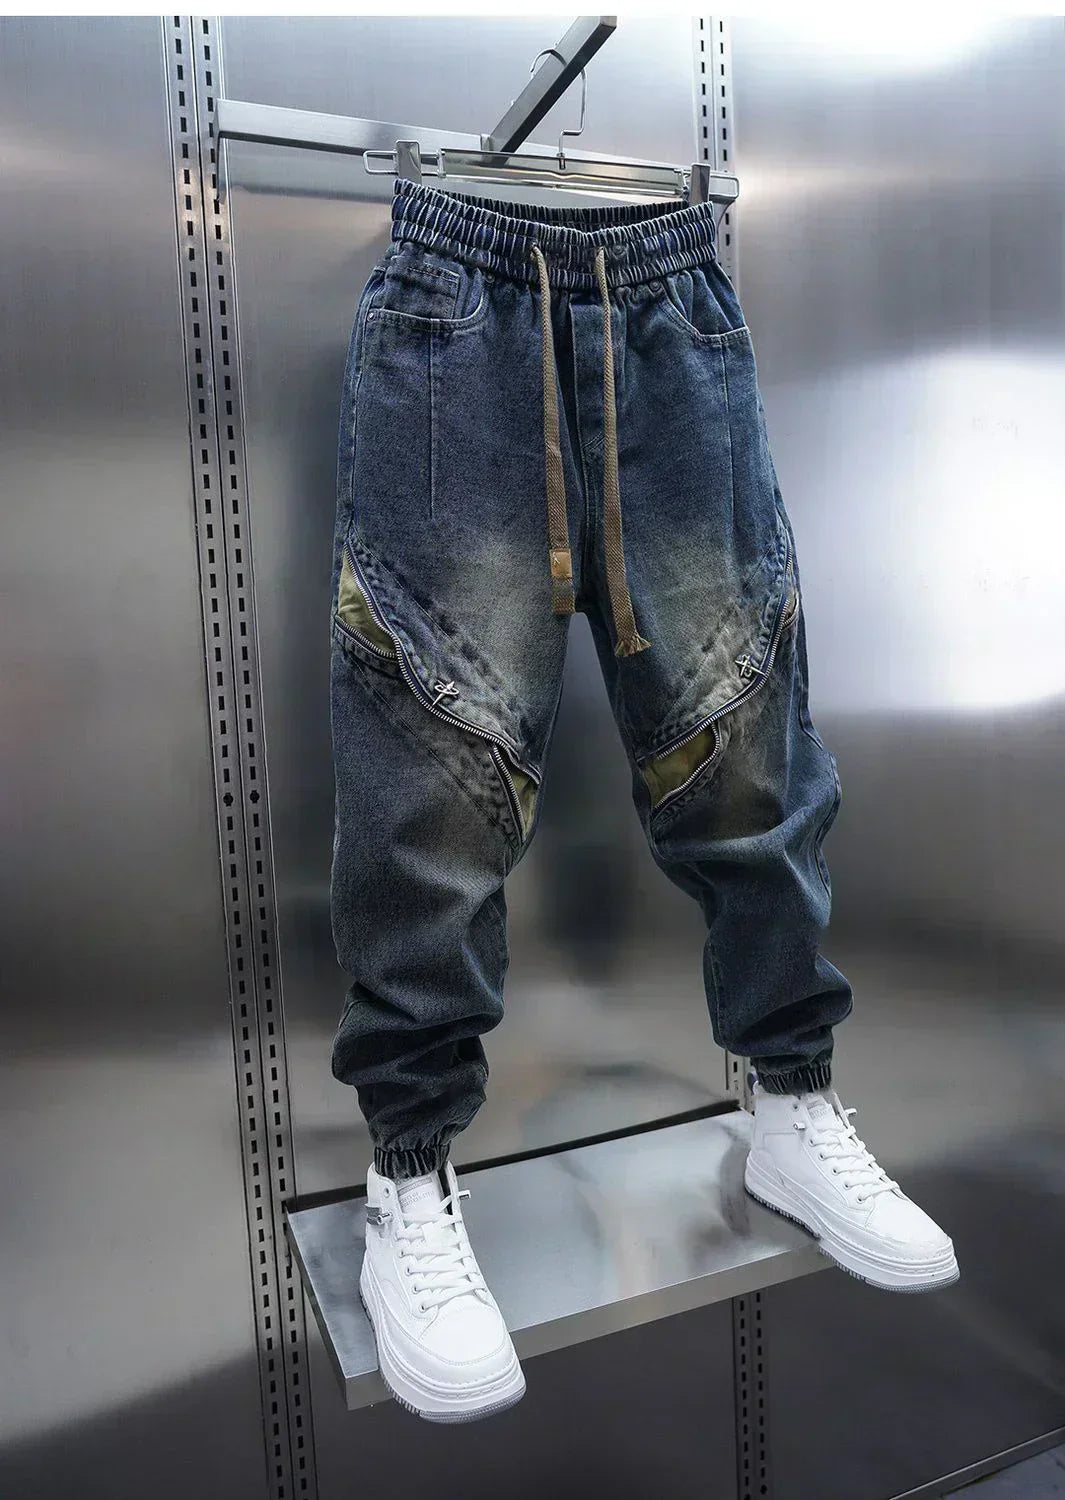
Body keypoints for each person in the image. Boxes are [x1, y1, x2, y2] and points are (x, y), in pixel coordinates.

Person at [328, 183, 958, 1423]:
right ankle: (406, 1180)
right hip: (455, 315)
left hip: (671, 310)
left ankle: (793, 1106)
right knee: (434, 765)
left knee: (743, 735)